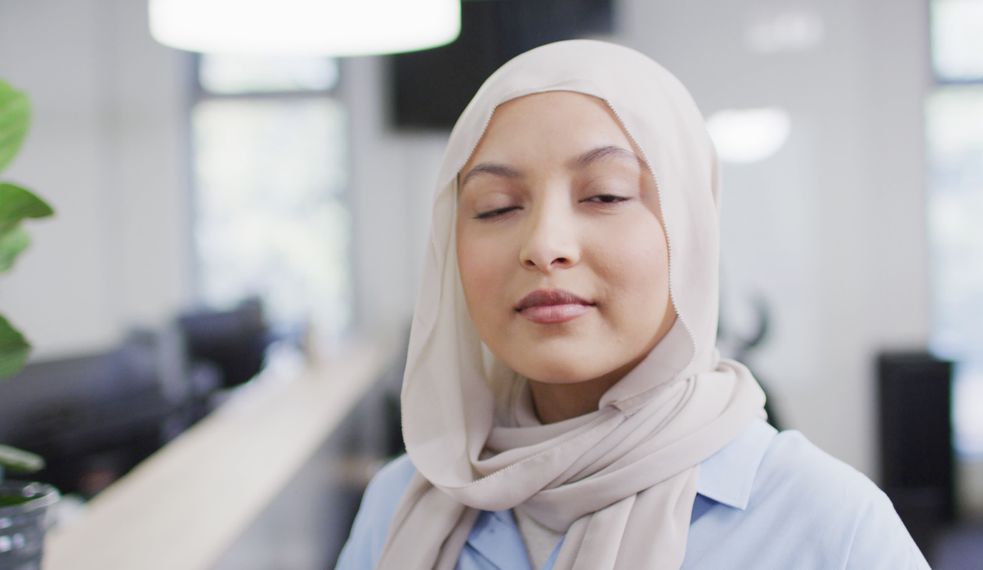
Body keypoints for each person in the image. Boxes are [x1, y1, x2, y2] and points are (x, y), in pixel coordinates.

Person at [335, 39, 930, 570]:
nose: (544, 246)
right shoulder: (402, 503)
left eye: (605, 194)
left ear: (692, 232)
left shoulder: (825, 525)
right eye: (495, 207)